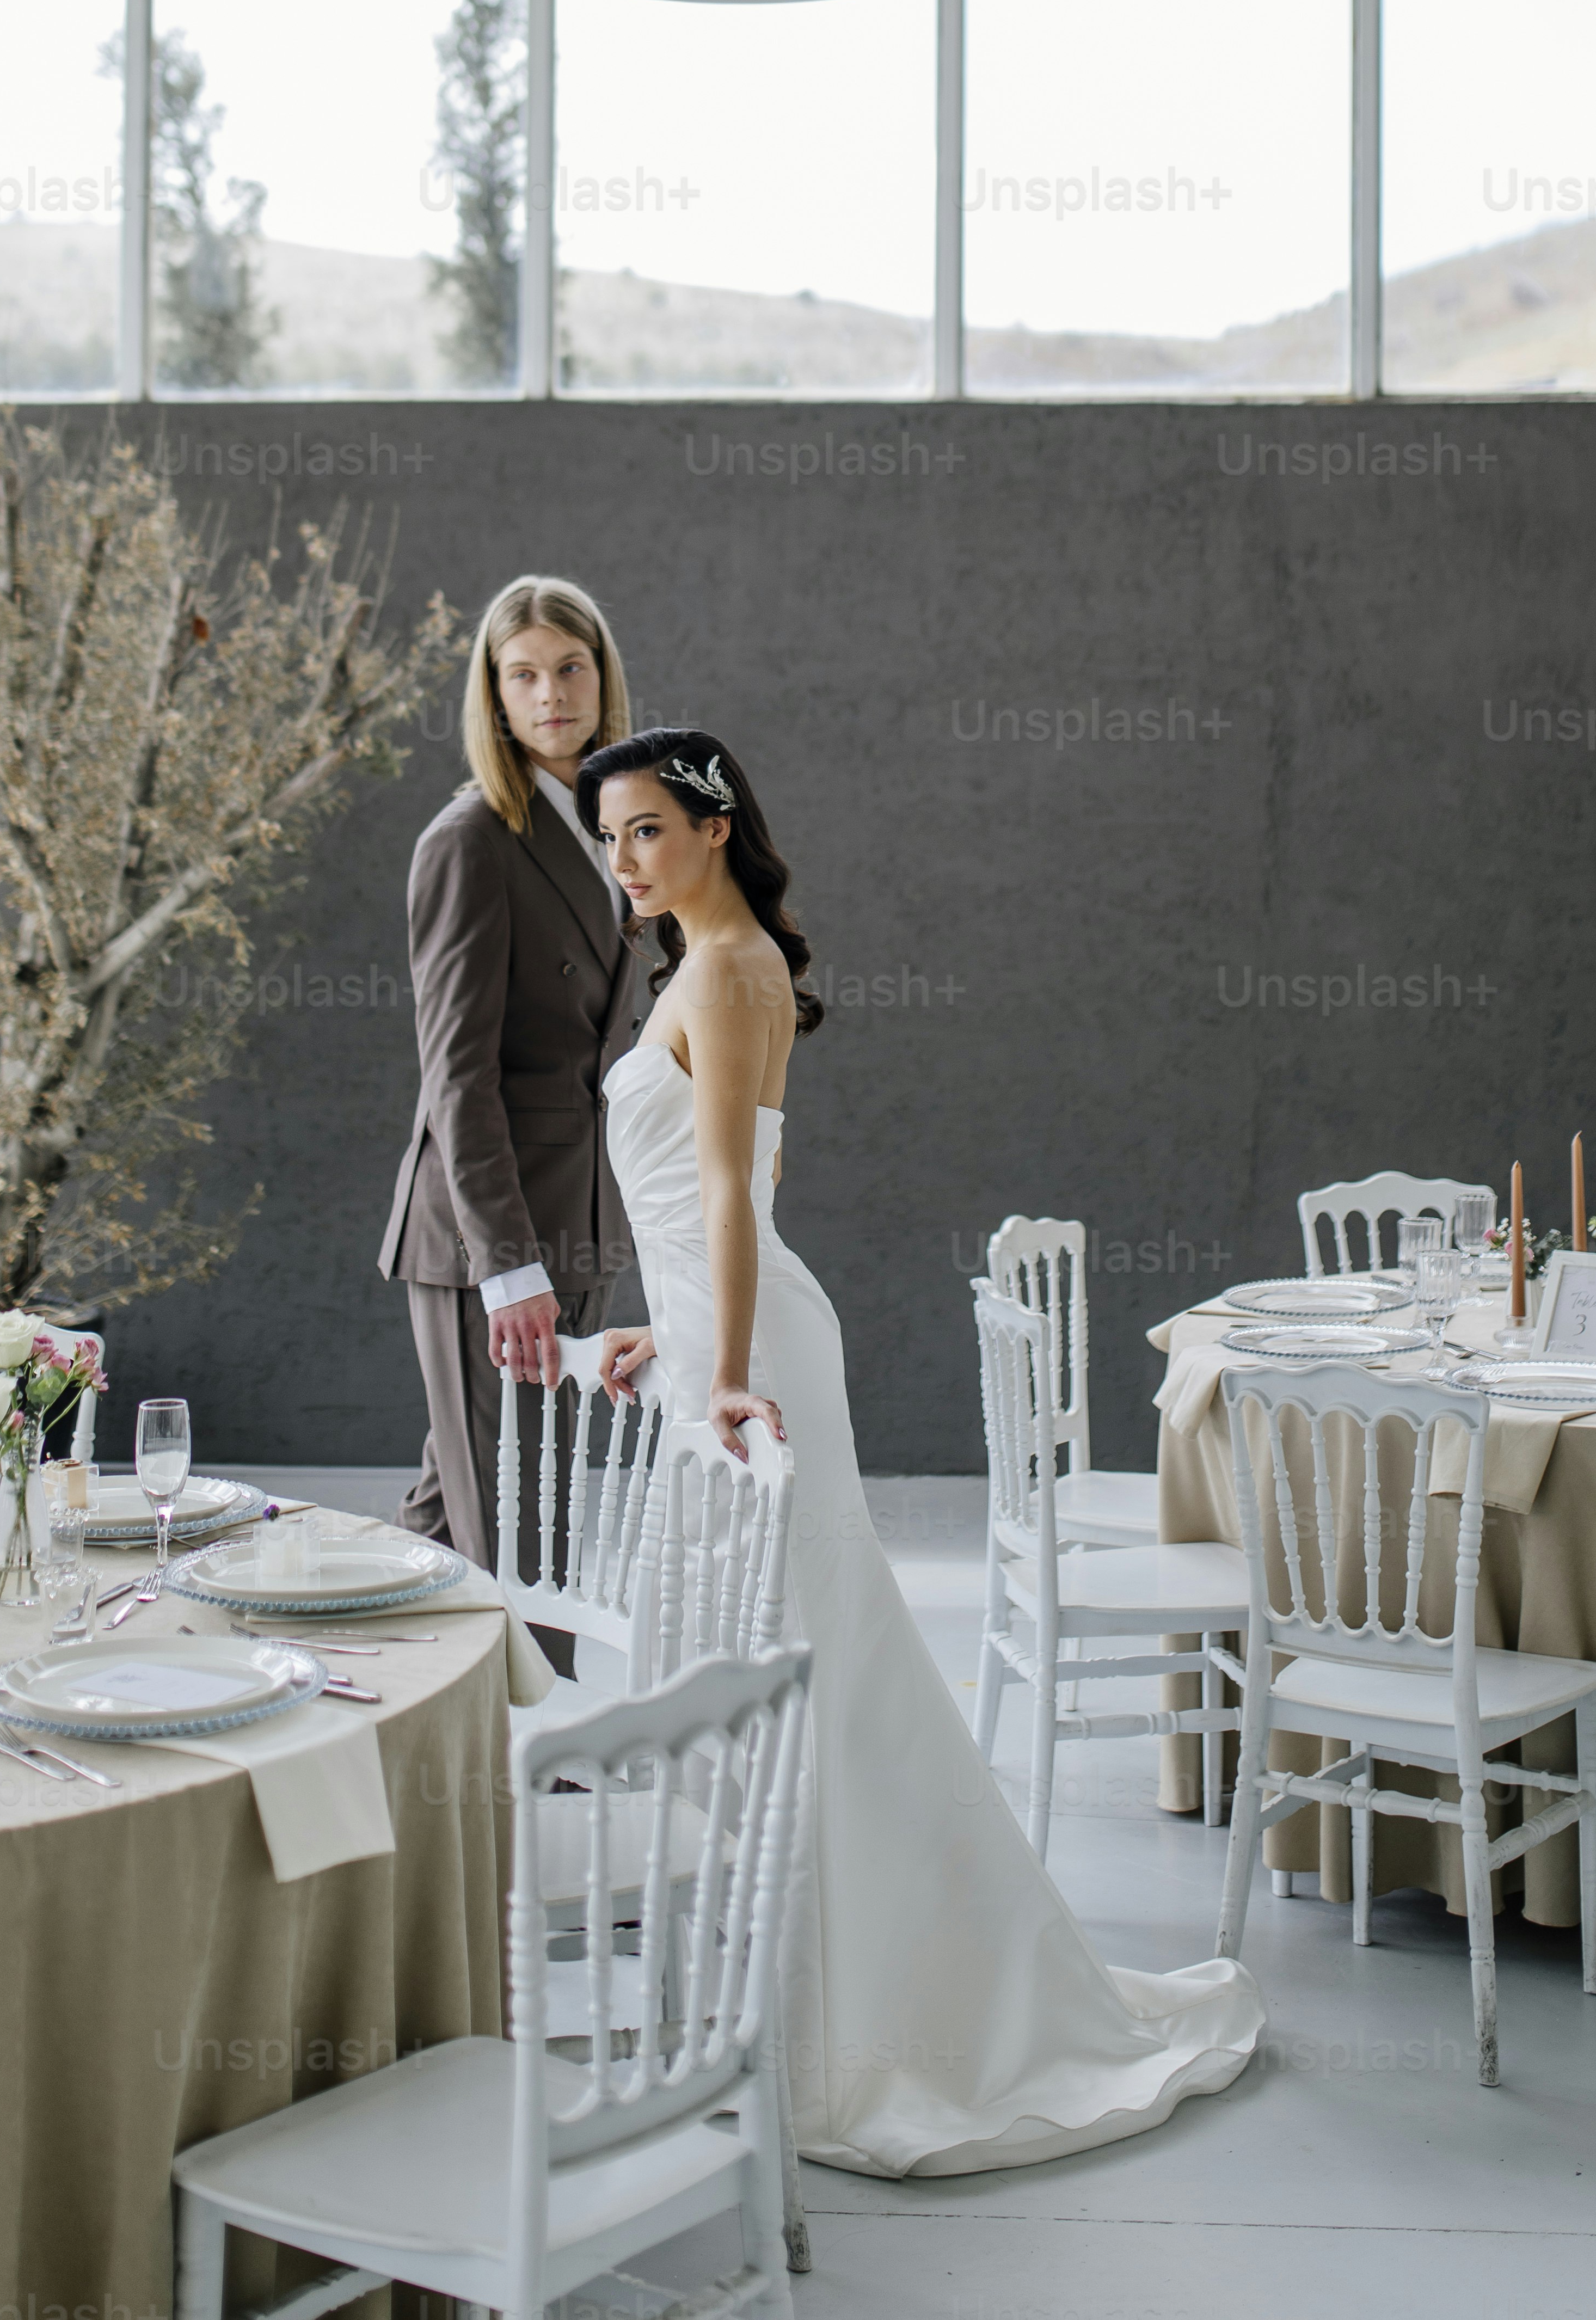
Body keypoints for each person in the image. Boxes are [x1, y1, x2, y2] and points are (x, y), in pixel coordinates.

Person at [578, 722, 1263, 2180]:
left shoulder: (719, 965)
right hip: (726, 1339)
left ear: (708, 825)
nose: (623, 857)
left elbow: (721, 1184)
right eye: (608, 835)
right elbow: (724, 1187)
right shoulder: (724, 960)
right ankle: (761, 1993)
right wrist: (671, 1330)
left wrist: (726, 1369)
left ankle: (867, 2015)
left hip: (749, 1363)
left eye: (644, 827)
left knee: (805, 1666)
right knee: (771, 1664)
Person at [379, 577, 644, 1624]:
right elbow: (456, 1075)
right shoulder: (471, 839)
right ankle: (525, 1755)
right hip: (490, 1240)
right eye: (524, 674)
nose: (552, 694)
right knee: (515, 1518)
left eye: (571, 668)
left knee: (467, 1506)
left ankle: (368, 1703)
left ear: (603, 677)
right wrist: (509, 1267)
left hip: (581, 1214)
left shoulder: (614, 827)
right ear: (493, 693)